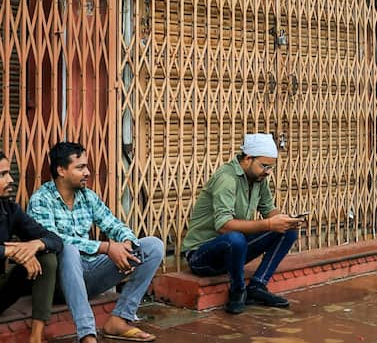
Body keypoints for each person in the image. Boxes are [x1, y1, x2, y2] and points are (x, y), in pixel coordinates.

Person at [28, 142, 163, 343]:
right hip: (57, 283)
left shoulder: (87, 196)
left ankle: (120, 319)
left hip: (91, 272)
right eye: (80, 167)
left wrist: (126, 243)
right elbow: (53, 240)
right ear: (61, 170)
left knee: (153, 246)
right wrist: (106, 248)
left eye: (87, 166)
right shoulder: (41, 199)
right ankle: (87, 334)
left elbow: (114, 224)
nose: (88, 172)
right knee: (69, 250)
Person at [182, 133, 303, 314]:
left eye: (271, 168)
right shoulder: (226, 179)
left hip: (234, 253)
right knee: (235, 238)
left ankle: (257, 286)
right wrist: (269, 224)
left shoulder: (258, 179)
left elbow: (268, 209)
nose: (268, 172)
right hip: (202, 257)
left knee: (287, 232)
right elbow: (224, 226)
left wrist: (285, 220)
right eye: (264, 166)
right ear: (247, 158)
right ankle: (238, 291)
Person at [0, 151, 63, 343]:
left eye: (8, 173)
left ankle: (36, 337)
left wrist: (35, 245)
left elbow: (55, 240)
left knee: (47, 257)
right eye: (2, 174)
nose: (10, 179)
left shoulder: (10, 210)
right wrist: (8, 251)